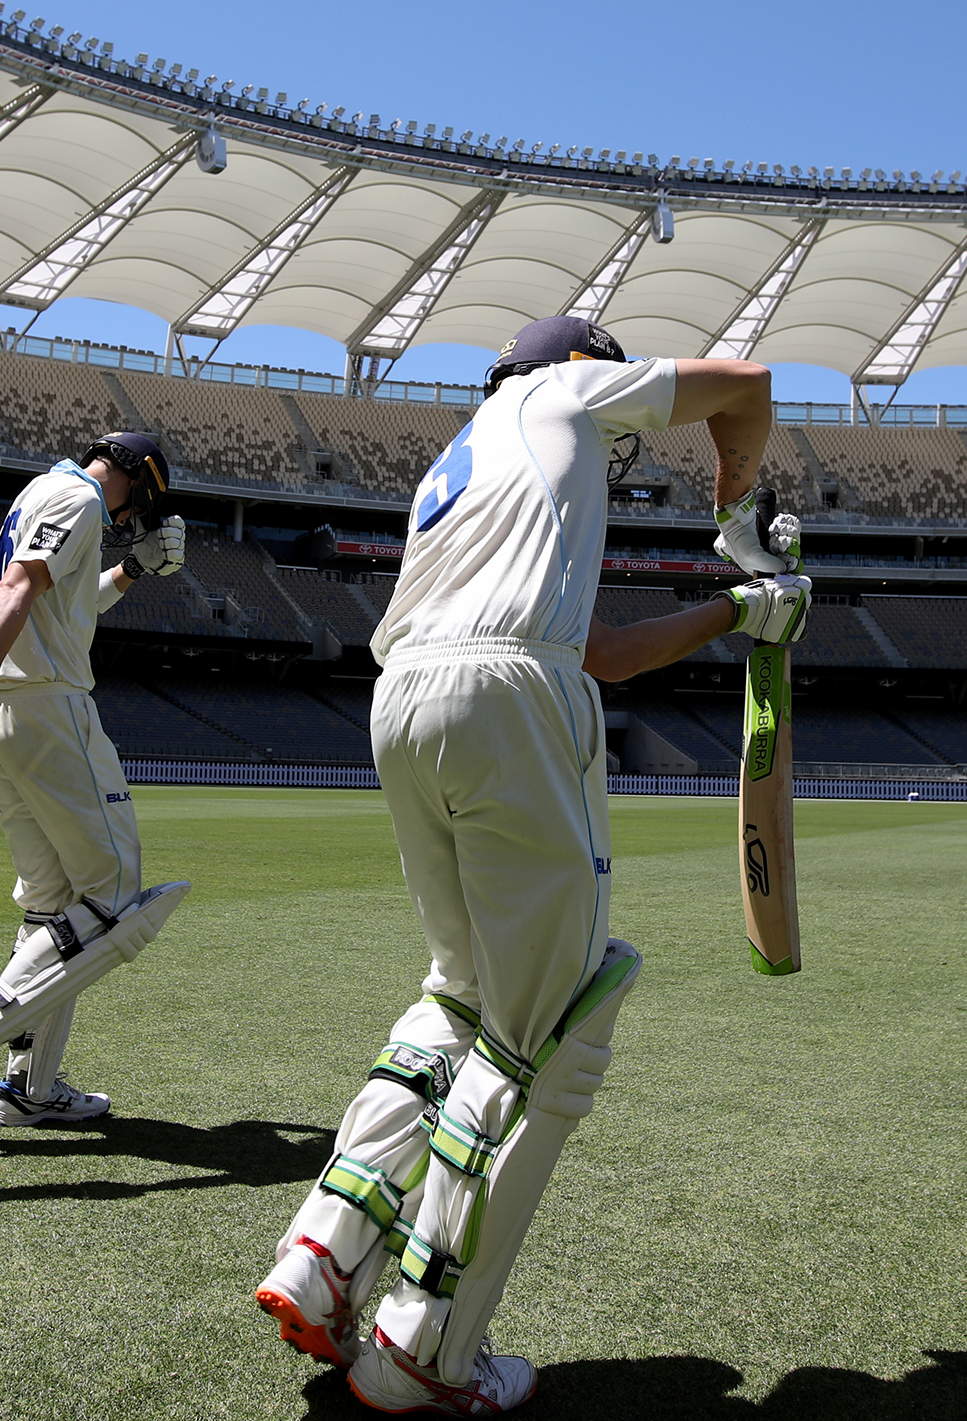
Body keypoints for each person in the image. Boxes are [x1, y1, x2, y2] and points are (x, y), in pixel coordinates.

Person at [253, 317, 810, 1414]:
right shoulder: (568, 395)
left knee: (459, 993)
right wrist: (739, 524)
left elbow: (598, 650)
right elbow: (747, 385)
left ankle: (324, 1250)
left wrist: (740, 612)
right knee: (558, 1024)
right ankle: (423, 1350)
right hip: (507, 700)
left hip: (409, 700)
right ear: (580, 364)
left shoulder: (464, 460)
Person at [0, 431, 192, 1134]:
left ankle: (30, 1087)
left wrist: (129, 572)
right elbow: (19, 587)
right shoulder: (78, 498)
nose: (139, 517)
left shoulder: (47, 491)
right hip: (46, 708)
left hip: (15, 718)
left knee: (52, 905)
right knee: (116, 896)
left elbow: (66, 604)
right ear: (133, 477)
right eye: (145, 500)